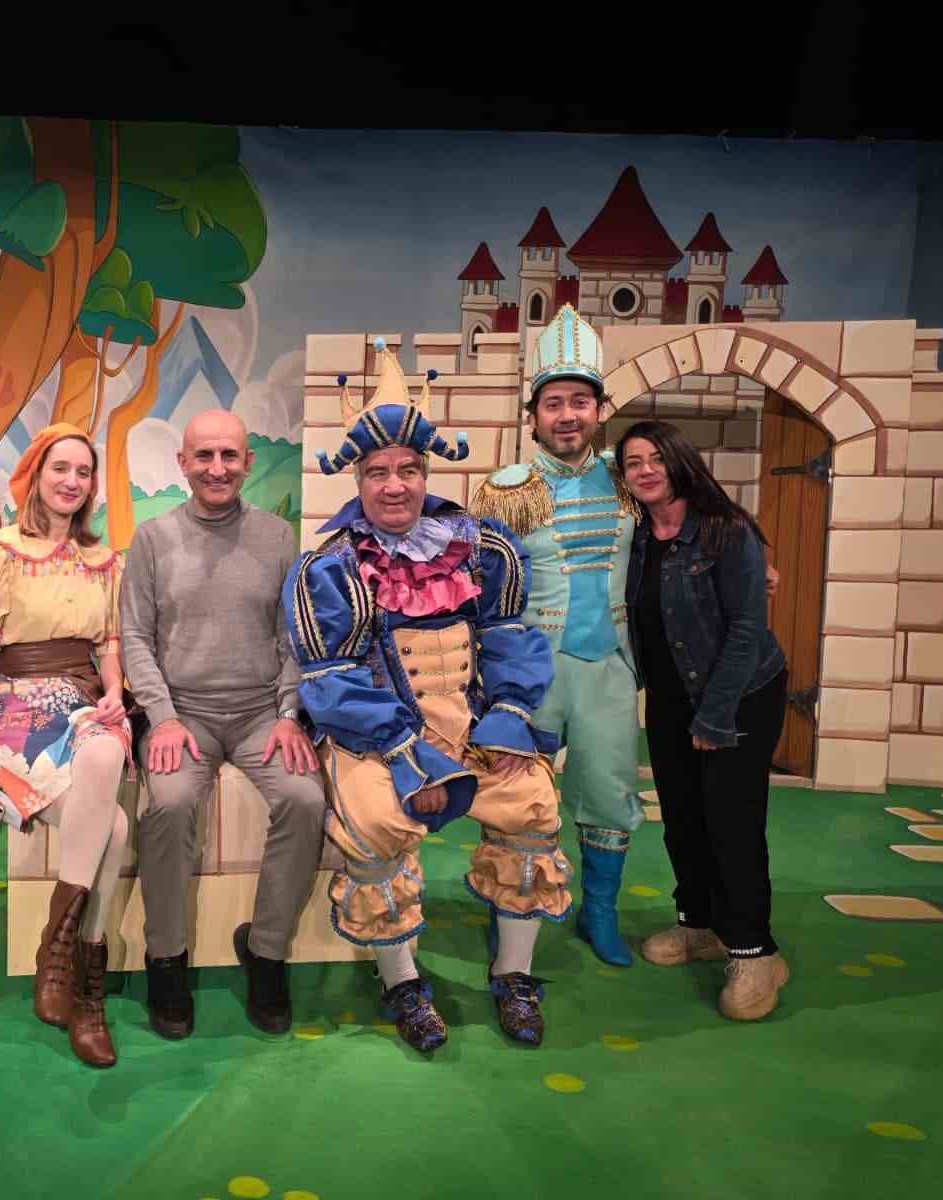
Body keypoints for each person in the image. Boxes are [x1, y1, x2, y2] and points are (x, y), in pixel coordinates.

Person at [473, 304, 780, 968]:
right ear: (533, 416)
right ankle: (510, 906)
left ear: (600, 409)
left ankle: (600, 913)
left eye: (579, 402)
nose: (567, 416)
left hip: (611, 667)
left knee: (611, 794)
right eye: (554, 403)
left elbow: (696, 513)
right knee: (515, 794)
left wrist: (753, 556)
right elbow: (483, 587)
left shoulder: (630, 475)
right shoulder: (504, 490)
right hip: (530, 669)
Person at [283, 341, 568, 1051]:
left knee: (533, 802)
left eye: (408, 469)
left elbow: (509, 637)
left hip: (471, 725)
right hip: (381, 737)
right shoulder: (330, 567)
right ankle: (403, 982)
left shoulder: (482, 547)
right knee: (376, 824)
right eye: (378, 472)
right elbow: (332, 680)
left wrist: (509, 720)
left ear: (425, 472)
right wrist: (409, 757)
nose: (395, 486)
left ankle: (513, 973)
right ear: (358, 479)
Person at [120, 409, 325, 1039]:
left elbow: (296, 636)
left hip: (262, 713)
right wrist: (161, 718)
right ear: (182, 463)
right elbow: (135, 637)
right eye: (204, 456)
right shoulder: (152, 539)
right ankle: (166, 958)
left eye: (229, 456)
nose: (217, 468)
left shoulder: (278, 537)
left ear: (248, 462)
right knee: (170, 804)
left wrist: (289, 713)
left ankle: (266, 952)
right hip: (184, 716)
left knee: (305, 798)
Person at [0, 424, 133, 1069]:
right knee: (113, 827)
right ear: (34, 474)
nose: (72, 481)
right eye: (61, 468)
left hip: (83, 703)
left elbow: (110, 645)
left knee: (106, 751)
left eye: (83, 471)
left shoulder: (103, 560)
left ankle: (58, 951)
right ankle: (84, 980)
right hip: (17, 710)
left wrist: (116, 692)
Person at [616, 419, 791, 1021]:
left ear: (680, 461)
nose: (645, 470)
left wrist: (716, 716)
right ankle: (700, 923)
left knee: (731, 822)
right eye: (632, 462)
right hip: (671, 697)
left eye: (655, 458)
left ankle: (755, 950)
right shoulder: (637, 534)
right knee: (682, 817)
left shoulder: (725, 529)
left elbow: (746, 630)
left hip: (739, 695)